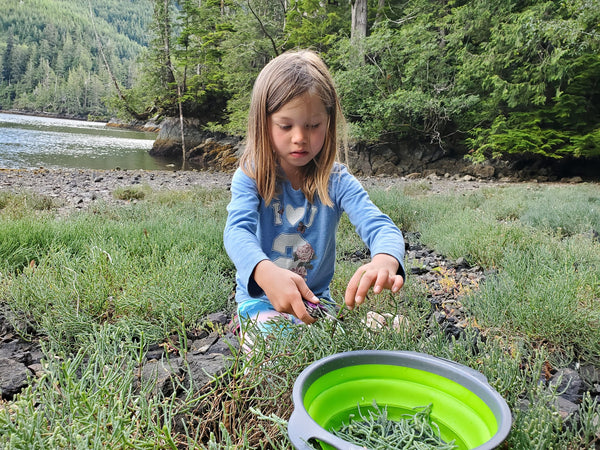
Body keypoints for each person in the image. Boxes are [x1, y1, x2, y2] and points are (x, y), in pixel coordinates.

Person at [223, 50, 405, 342]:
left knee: (341, 354)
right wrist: (264, 272)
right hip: (260, 301)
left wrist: (384, 260)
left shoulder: (337, 181)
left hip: (316, 303)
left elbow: (381, 226)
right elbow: (236, 232)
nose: (300, 138)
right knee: (275, 353)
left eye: (313, 125)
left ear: (329, 124)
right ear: (264, 122)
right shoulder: (251, 175)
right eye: (286, 126)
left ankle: (366, 324)